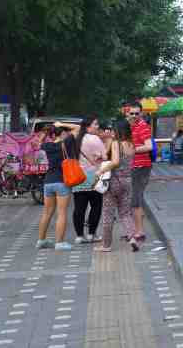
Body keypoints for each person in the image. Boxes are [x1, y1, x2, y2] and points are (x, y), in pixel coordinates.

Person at [94, 120, 136, 253]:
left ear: (118, 131)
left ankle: (106, 245)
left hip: (114, 181)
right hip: (128, 181)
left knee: (108, 214)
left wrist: (101, 170)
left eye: (113, 130)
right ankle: (132, 238)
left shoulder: (116, 144)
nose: (111, 132)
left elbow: (115, 161)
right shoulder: (131, 145)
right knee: (125, 213)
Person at [37, 122, 78, 250]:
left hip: (48, 182)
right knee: (61, 213)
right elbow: (78, 128)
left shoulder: (46, 145)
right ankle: (59, 242)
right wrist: (62, 123)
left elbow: (39, 142)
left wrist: (45, 134)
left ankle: (41, 240)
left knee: (47, 213)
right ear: (62, 133)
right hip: (62, 181)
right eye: (65, 132)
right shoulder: (65, 143)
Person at [71, 117, 105, 244]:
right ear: (87, 126)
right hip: (94, 177)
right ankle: (91, 234)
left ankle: (79, 236)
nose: (97, 126)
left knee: (79, 207)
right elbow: (104, 157)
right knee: (96, 206)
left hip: (78, 177)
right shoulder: (95, 139)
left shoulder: (76, 139)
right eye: (95, 124)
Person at [125, 103, 153, 244]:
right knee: (133, 199)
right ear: (127, 113)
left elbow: (149, 146)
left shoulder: (142, 126)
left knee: (136, 200)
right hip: (133, 166)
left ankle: (140, 231)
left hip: (141, 167)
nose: (134, 116)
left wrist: (132, 149)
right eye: (132, 113)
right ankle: (134, 230)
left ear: (141, 113)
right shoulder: (131, 126)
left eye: (137, 113)